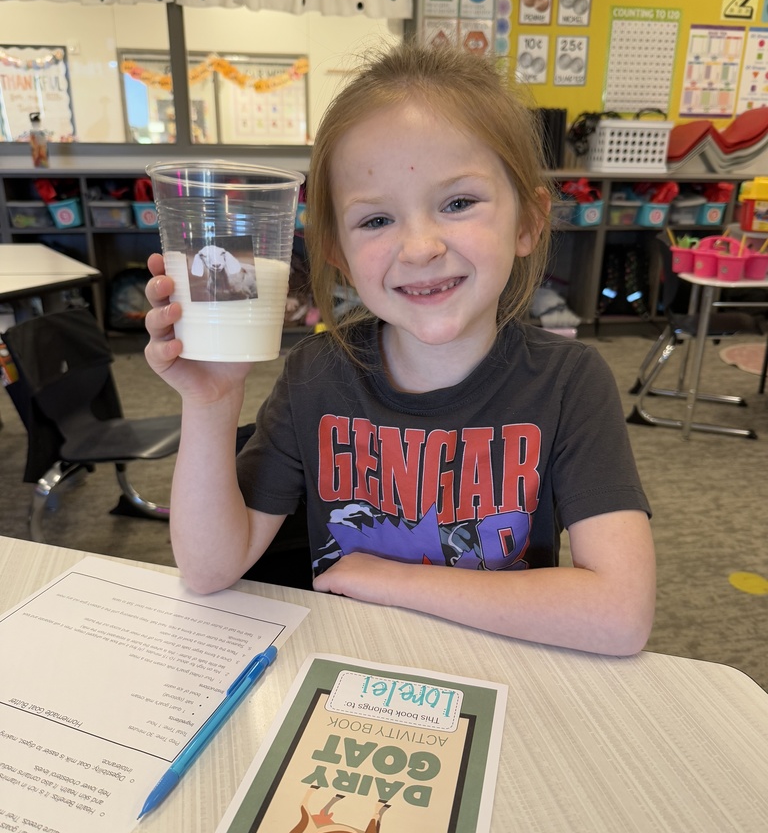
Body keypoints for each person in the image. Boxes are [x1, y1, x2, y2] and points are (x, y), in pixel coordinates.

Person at [144, 39, 655, 656]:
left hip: (504, 671)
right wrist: (213, 401)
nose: (419, 248)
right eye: (376, 220)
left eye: (459, 202)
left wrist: (392, 578)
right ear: (337, 250)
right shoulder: (317, 375)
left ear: (527, 222)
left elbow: (621, 615)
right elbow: (208, 569)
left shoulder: (570, 383)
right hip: (349, 674)